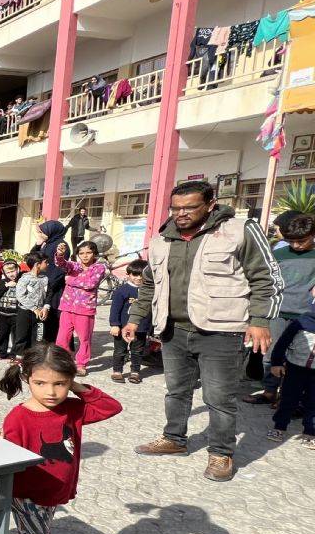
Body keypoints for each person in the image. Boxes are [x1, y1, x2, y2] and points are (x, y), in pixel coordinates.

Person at [123, 180, 280, 482]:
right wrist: (135, 318)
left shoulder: (239, 230)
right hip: (173, 330)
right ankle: (174, 439)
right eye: (176, 208)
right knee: (176, 391)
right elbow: (150, 284)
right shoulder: (162, 239)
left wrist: (260, 320)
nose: (181, 214)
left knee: (219, 397)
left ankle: (221, 453)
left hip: (221, 332)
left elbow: (266, 278)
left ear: (210, 205)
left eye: (190, 207)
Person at [0, 343, 122, 534]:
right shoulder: (19, 417)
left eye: (60, 383)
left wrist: (77, 385)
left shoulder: (73, 410)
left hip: (54, 493)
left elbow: (111, 407)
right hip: (26, 495)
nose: (51, 392)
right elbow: (8, 457)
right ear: (27, 378)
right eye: (40, 383)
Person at [244, 212, 315, 405]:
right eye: (292, 241)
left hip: (305, 315)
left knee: (298, 359)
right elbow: (266, 281)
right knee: (271, 354)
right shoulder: (278, 254)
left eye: (302, 241)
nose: (297, 245)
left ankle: (289, 398)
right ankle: (269, 391)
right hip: (277, 312)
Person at [266, 296, 315, 448]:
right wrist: (276, 363)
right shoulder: (302, 322)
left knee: (313, 403)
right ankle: (279, 427)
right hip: (295, 368)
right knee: (288, 398)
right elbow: (282, 343)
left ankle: (310, 432)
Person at [54, 240, 107, 375]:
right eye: (82, 253)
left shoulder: (99, 268)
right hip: (67, 307)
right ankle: (62, 362)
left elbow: (90, 283)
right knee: (62, 338)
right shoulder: (74, 266)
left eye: (88, 252)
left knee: (84, 338)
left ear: (94, 253)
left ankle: (81, 364)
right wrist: (60, 255)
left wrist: (70, 280)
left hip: (85, 309)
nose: (85, 256)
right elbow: (62, 264)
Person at [108, 259, 148, 384]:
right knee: (120, 350)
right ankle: (117, 371)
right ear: (129, 274)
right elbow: (115, 309)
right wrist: (115, 325)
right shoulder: (122, 291)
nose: (138, 278)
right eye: (135, 274)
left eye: (142, 275)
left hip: (141, 328)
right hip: (122, 328)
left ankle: (135, 372)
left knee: (138, 351)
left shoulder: (148, 291)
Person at [32, 220, 70, 343]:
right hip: (44, 284)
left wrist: (48, 284)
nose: (40, 233)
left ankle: (55, 346)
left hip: (54, 287)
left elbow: (60, 269)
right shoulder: (48, 243)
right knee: (44, 316)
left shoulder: (61, 245)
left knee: (53, 316)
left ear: (51, 231)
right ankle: (45, 343)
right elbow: (32, 259)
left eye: (42, 232)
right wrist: (38, 245)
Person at [16, 252, 50, 360]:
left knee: (39, 336)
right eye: (46, 262)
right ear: (37, 264)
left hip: (40, 312)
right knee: (22, 335)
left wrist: (46, 307)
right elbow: (20, 296)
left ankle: (36, 358)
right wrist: (34, 308)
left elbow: (49, 294)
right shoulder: (24, 279)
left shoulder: (45, 278)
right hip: (25, 312)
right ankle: (19, 357)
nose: (48, 264)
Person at [0, 260, 22, 359]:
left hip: (16, 314)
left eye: (13, 271)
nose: (11, 274)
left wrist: (17, 285)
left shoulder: (21, 282)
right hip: (2, 314)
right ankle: (1, 353)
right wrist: (6, 286)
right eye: (8, 272)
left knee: (16, 335)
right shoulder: (1, 283)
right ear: (4, 273)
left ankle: (14, 354)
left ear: (17, 270)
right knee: (2, 335)